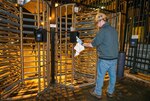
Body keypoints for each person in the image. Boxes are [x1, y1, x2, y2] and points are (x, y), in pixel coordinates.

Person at [83, 12, 119, 99]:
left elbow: (92, 44)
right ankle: (110, 91)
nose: (97, 25)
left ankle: (98, 92)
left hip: (104, 59)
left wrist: (82, 43)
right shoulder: (113, 29)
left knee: (100, 76)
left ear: (100, 21)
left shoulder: (102, 31)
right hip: (114, 58)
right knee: (113, 76)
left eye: (96, 23)